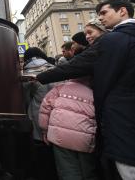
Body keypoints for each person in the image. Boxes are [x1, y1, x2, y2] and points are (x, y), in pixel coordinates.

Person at [35, 0, 135, 180]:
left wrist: (38, 77)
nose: (101, 17)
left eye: (104, 13)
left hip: (120, 117)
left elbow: (76, 66)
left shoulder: (112, 40)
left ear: (122, 11)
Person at [38, 20, 107, 180]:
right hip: (87, 139)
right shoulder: (96, 92)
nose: (88, 36)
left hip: (59, 137)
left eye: (90, 32)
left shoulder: (60, 88)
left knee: (67, 171)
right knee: (89, 170)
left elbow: (45, 109)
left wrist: (44, 130)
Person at [21, 47, 58, 180]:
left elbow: (24, 98)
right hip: (57, 114)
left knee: (40, 148)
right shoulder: (53, 67)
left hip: (37, 113)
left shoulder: (26, 72)